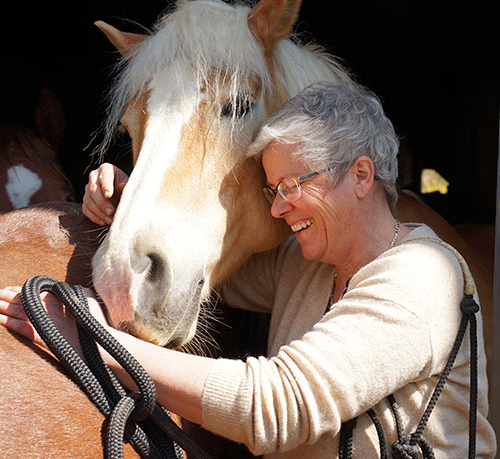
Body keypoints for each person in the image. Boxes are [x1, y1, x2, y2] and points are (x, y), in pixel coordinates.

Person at [0, 82, 496, 458]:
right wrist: (132, 207)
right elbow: (202, 270)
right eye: (272, 190)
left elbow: (275, 404)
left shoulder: (422, 276)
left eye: (292, 185)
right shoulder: (309, 265)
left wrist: (92, 338)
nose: (279, 209)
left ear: (361, 176)